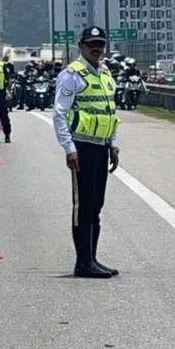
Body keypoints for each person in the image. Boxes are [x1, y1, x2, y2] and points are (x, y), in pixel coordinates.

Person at [52, 26, 121, 279]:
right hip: (81, 147)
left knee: (96, 205)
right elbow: (59, 113)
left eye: (100, 44)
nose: (96, 48)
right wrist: (69, 148)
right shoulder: (71, 75)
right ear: (80, 46)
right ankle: (83, 262)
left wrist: (113, 143)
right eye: (91, 44)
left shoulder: (104, 73)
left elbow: (109, 111)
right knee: (83, 205)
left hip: (101, 146)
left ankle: (92, 258)